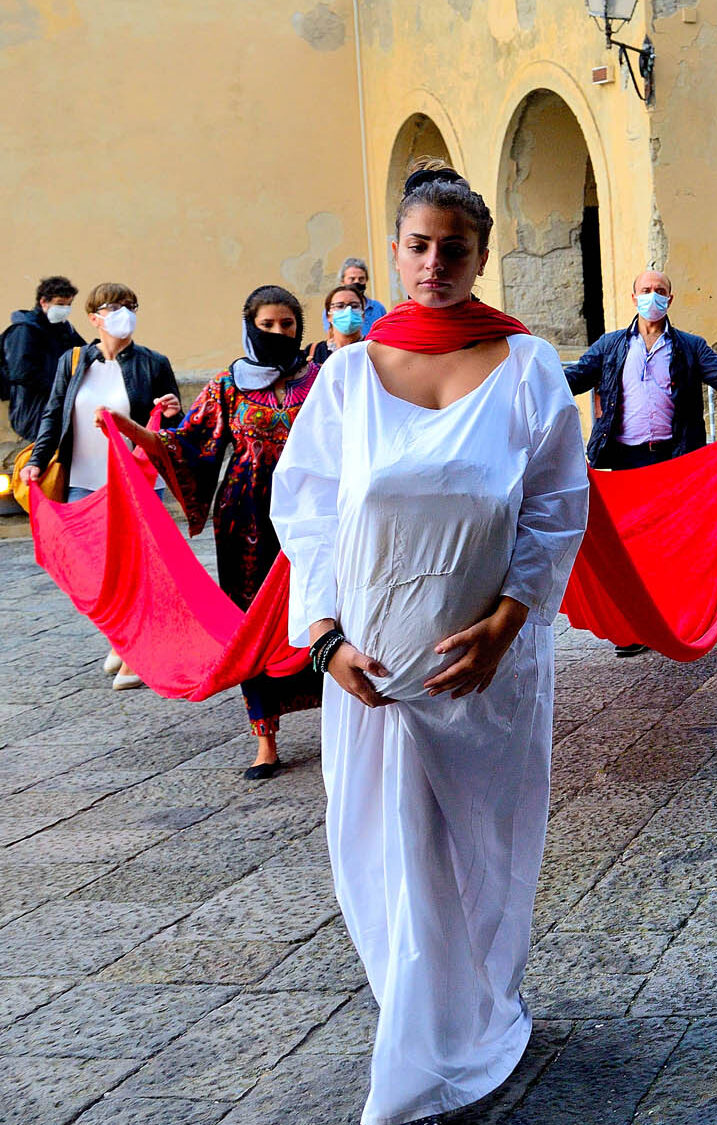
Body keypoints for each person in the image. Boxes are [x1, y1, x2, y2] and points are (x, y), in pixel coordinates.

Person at [271, 159, 588, 1123]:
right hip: (371, 671)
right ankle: (419, 1037)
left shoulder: (528, 366)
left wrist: (508, 621)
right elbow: (310, 513)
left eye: (455, 247)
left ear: (483, 255)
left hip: (487, 671)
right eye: (418, 245)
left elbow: (555, 507)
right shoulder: (350, 375)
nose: (435, 261)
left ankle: (478, 1005)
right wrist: (324, 637)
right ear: (397, 250)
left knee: (484, 852)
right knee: (387, 853)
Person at [109, 285, 321, 780]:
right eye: (267, 325)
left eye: (286, 325)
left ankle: (344, 722)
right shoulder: (228, 383)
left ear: (299, 329)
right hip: (246, 522)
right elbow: (187, 443)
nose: (277, 333)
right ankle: (264, 740)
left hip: (312, 515)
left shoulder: (322, 379)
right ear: (250, 325)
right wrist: (136, 431)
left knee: (324, 609)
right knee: (251, 622)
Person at [565, 268, 717, 655]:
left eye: (660, 291)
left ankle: (672, 618)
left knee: (672, 545)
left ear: (670, 299)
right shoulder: (610, 346)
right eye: (646, 290)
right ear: (633, 295)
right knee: (627, 549)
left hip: (676, 462)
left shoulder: (689, 346)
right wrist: (531, 381)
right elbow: (576, 377)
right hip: (625, 461)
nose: (652, 296)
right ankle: (634, 627)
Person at [21, 282, 181, 691]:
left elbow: (172, 429)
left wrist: (172, 412)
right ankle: (119, 636)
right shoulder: (74, 361)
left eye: (131, 305)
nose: (124, 312)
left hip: (138, 481)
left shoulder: (153, 362)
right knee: (95, 572)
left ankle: (134, 652)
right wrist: (37, 462)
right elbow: (53, 414)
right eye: (114, 307)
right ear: (94, 318)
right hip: (83, 480)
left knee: (136, 568)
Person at [4, 276, 85, 442]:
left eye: (69, 305)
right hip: (32, 410)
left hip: (55, 407)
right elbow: (21, 372)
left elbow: (83, 352)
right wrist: (58, 387)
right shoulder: (25, 330)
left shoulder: (64, 329)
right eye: (60, 304)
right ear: (43, 302)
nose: (65, 309)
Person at [323, 257, 388, 335]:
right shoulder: (334, 309)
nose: (357, 282)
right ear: (342, 281)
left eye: (361, 279)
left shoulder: (377, 307)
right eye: (352, 279)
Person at [311, 284, 368, 366]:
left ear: (363, 314)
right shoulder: (315, 352)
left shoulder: (374, 350)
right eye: (340, 306)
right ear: (328, 316)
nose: (348, 310)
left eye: (354, 306)